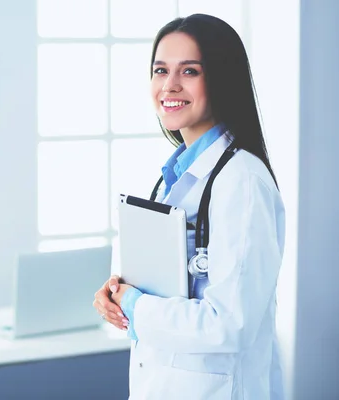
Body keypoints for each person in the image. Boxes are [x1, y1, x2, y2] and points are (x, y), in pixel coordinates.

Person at [92, 14, 285, 399]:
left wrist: (135, 304)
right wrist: (116, 296)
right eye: (160, 70)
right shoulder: (173, 177)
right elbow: (163, 287)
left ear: (221, 79)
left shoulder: (241, 181)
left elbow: (230, 324)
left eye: (190, 71)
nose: (170, 85)